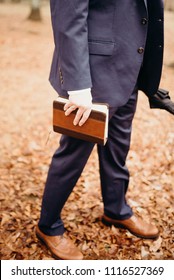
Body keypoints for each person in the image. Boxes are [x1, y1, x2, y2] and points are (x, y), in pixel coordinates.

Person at [36, 0, 166, 260]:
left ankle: (116, 209)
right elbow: (68, 18)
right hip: (90, 78)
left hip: (129, 69)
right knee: (73, 154)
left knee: (118, 147)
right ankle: (48, 225)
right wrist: (78, 88)